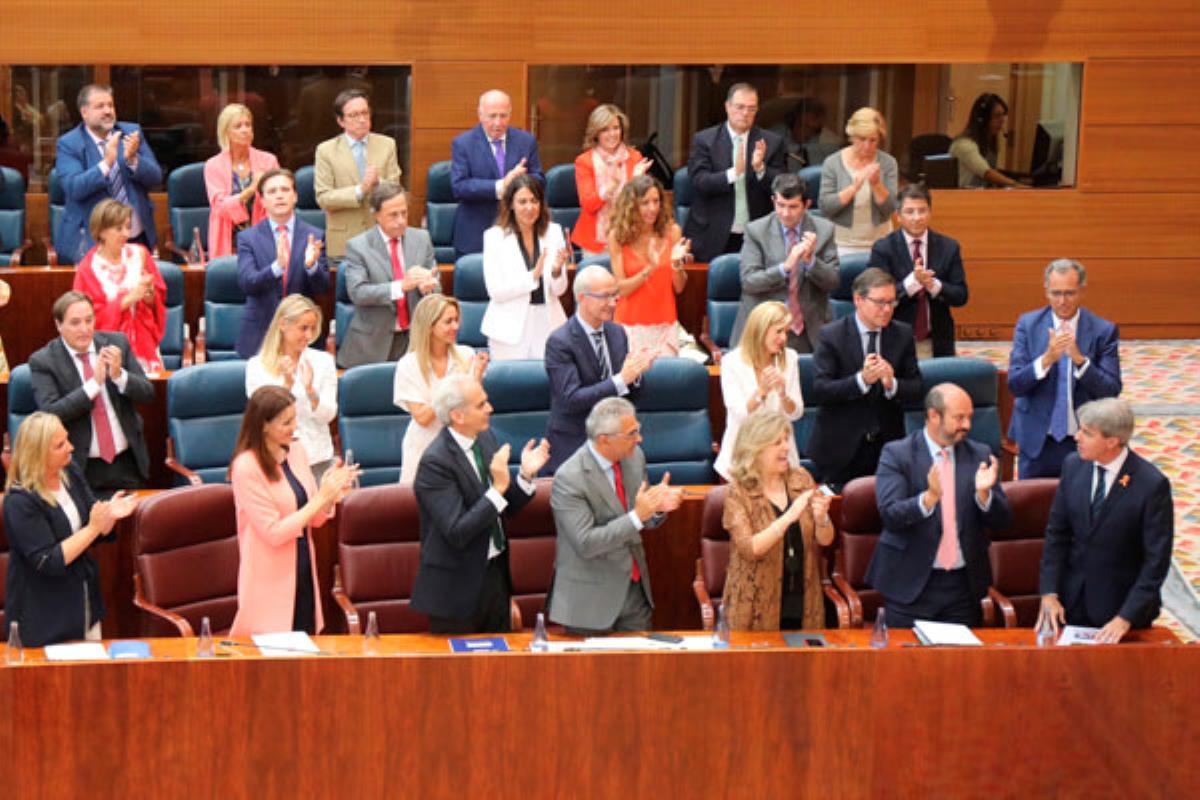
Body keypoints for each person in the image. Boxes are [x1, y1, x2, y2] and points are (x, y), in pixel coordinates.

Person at [410, 374, 551, 633]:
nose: (490, 409)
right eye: (481, 405)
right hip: (455, 589)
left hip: (495, 575)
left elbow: (503, 508)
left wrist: (525, 476)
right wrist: (497, 488)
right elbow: (458, 531)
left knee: (499, 667)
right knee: (459, 672)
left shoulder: (485, 439)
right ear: (458, 416)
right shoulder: (435, 463)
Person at [867, 383, 1010, 628]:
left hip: (963, 587)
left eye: (970, 417)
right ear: (933, 415)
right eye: (959, 418)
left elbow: (1002, 521)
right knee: (905, 663)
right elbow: (890, 514)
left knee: (958, 664)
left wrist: (984, 496)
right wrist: (928, 499)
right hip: (910, 584)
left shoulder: (980, 455)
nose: (967, 425)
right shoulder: (897, 454)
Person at [1037, 398, 1173, 643]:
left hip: (1120, 613)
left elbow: (1156, 561)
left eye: (1087, 433)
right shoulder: (1073, 465)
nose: (1076, 437)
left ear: (1112, 441)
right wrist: (1049, 592)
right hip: (1073, 604)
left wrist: (1126, 617)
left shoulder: (1151, 485)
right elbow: (1057, 533)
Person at [229, 386, 358, 637]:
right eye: (286, 422)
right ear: (263, 425)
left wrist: (331, 494)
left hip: (303, 569)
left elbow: (317, 518)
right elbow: (274, 532)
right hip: (268, 579)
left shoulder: (296, 451)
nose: (294, 427)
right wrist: (321, 497)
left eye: (295, 418)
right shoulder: (246, 467)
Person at [548, 397, 683, 634]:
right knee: (593, 673)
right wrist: (637, 516)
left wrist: (657, 507)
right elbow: (587, 543)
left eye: (638, 431)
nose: (639, 439)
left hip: (634, 593)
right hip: (589, 601)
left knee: (639, 669)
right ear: (604, 440)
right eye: (631, 434)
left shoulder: (634, 457)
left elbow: (643, 515)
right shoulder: (569, 478)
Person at [3, 412, 138, 647]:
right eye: (60, 445)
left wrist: (108, 517)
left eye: (67, 439)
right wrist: (95, 527)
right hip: (43, 616)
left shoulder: (69, 471)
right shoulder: (20, 501)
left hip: (83, 599)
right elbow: (49, 560)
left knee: (90, 678)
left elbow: (89, 523)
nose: (71, 447)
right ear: (38, 454)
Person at [29, 291, 156, 495]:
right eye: (75, 322)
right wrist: (93, 385)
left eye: (89, 320)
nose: (85, 329)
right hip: (79, 468)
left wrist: (118, 376)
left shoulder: (116, 344)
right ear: (58, 325)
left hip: (127, 462)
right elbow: (50, 413)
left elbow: (148, 394)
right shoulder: (44, 361)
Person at [807, 268, 921, 489]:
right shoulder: (832, 335)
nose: (887, 309)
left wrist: (891, 383)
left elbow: (916, 387)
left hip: (887, 446)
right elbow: (821, 389)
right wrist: (861, 380)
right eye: (880, 302)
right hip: (840, 448)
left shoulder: (902, 334)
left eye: (892, 302)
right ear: (858, 300)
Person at [1008, 259, 1121, 479]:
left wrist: (1080, 360)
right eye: (1055, 293)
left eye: (1069, 293)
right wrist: (1046, 360)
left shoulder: (1103, 331)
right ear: (1046, 291)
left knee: (1080, 509)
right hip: (1036, 440)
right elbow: (1015, 385)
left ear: (1082, 291)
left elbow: (1111, 390)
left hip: (1084, 439)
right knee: (1032, 509)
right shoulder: (1028, 325)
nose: (1062, 301)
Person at [722, 410, 834, 630]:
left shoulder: (801, 478)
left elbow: (825, 540)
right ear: (755, 448)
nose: (786, 448)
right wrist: (790, 516)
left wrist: (822, 519)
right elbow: (749, 549)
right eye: (776, 442)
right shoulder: (738, 492)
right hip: (754, 609)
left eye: (786, 440)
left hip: (804, 604)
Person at [544, 265, 655, 472]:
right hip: (574, 445)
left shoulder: (617, 333)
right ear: (582, 297)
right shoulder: (560, 342)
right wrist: (622, 379)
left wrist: (636, 374)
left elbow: (629, 394)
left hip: (615, 443)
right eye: (605, 296)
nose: (613, 303)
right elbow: (571, 399)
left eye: (615, 295)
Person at [731, 172, 838, 353]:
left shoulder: (824, 230)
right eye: (780, 205)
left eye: (793, 207)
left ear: (806, 205)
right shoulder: (756, 231)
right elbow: (749, 282)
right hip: (763, 329)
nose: (785, 213)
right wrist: (784, 268)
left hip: (806, 329)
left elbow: (833, 281)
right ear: (773, 200)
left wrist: (811, 261)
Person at [55, 84, 161, 263]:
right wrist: (105, 164)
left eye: (110, 105)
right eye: (100, 106)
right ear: (84, 112)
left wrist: (132, 160)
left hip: (135, 234)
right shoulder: (69, 144)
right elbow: (74, 188)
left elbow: (156, 177)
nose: (107, 111)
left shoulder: (130, 132)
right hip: (91, 240)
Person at [338, 181, 440, 368]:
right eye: (393, 215)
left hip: (414, 341)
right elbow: (358, 293)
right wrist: (400, 286)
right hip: (371, 346)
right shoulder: (358, 247)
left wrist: (428, 288)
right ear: (376, 215)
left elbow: (435, 285)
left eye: (404, 213)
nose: (401, 220)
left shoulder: (421, 239)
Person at [683, 83, 786, 262]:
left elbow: (782, 187)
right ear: (727, 106)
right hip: (711, 233)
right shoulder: (705, 140)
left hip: (756, 234)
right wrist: (733, 174)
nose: (745, 113)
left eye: (751, 109)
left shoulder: (771, 142)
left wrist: (760, 168)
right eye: (740, 107)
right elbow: (699, 182)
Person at [235, 168, 331, 358]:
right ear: (262, 201)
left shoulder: (314, 235)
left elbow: (323, 287)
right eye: (272, 191)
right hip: (261, 332)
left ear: (295, 196)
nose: (279, 196)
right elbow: (247, 283)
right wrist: (277, 267)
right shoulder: (248, 238)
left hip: (303, 333)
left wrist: (311, 266)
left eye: (285, 190)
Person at [393, 295, 488, 485]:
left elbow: (472, 407)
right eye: (448, 321)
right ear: (429, 326)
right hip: (423, 448)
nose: (456, 326)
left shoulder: (466, 354)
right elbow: (423, 417)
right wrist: (454, 384)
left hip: (462, 444)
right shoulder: (408, 365)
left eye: (456, 320)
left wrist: (475, 376)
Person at [867, 184, 968, 359]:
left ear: (930, 213)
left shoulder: (949, 247)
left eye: (922, 211)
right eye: (910, 211)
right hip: (895, 341)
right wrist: (912, 283)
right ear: (898, 216)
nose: (917, 217)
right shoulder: (883, 249)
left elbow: (961, 296)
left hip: (937, 341)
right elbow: (876, 298)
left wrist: (933, 285)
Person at [246, 296, 338, 482]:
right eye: (303, 328)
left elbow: (328, 416)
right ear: (282, 324)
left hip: (317, 457)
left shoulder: (323, 361)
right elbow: (263, 416)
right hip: (276, 459)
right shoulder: (257, 366)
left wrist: (311, 392)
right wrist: (286, 385)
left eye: (312, 328)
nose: (309, 336)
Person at [72, 199, 167, 373]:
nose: (126, 233)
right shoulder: (88, 269)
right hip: (108, 349)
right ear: (101, 231)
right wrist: (129, 299)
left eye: (128, 227)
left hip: (143, 342)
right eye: (119, 229)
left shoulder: (141, 254)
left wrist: (149, 296)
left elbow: (158, 299)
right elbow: (85, 317)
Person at [482, 174, 570, 359]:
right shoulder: (494, 237)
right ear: (511, 204)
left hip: (548, 323)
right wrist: (532, 277)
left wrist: (556, 272)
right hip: (508, 329)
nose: (530, 207)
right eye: (522, 202)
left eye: (534, 201)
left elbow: (559, 290)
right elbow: (495, 290)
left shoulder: (553, 232)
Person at [450, 90, 544, 257]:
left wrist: (519, 183)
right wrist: (501, 186)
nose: (498, 123)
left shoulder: (526, 141)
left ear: (510, 114)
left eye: (503, 116)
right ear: (480, 115)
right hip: (476, 234)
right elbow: (459, 186)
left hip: (518, 231)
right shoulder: (463, 143)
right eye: (492, 116)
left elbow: (539, 179)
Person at [716, 301, 804, 480]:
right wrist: (761, 392)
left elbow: (796, 413)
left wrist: (783, 394)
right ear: (760, 330)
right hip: (742, 458)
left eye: (785, 332)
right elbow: (739, 414)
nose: (784, 339)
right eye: (778, 331)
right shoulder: (731, 363)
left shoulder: (790, 359)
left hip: (781, 459)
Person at [314, 89, 402, 262]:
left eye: (364, 113)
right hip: (344, 242)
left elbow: (396, 191)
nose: (362, 119)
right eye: (354, 115)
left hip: (381, 237)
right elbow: (323, 198)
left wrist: (378, 182)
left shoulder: (387, 145)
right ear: (341, 121)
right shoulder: (326, 150)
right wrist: (360, 190)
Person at [608, 175, 692, 356]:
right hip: (629, 325)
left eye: (656, 201)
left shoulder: (673, 232)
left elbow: (679, 287)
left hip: (664, 323)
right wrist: (650, 268)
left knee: (665, 383)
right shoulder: (618, 236)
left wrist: (676, 265)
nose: (652, 208)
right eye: (645, 203)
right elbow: (622, 289)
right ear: (632, 206)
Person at [571, 104, 653, 256]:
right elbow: (588, 204)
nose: (612, 134)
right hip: (595, 241)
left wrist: (636, 181)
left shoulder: (634, 158)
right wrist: (609, 189)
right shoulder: (584, 161)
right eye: (605, 129)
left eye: (616, 128)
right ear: (596, 133)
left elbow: (644, 204)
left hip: (630, 236)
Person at [818, 107, 898, 257]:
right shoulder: (833, 162)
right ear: (852, 136)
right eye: (862, 139)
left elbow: (890, 209)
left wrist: (876, 185)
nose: (867, 146)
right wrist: (854, 188)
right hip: (841, 243)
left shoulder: (888, 163)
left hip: (879, 242)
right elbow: (826, 207)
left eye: (873, 140)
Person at [203, 103, 280, 259]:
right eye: (238, 126)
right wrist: (252, 189)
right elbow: (220, 207)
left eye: (248, 125)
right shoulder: (213, 165)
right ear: (227, 132)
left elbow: (278, 200)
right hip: (227, 240)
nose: (245, 130)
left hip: (264, 238)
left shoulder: (268, 161)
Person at [949, 93, 1022, 189]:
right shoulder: (964, 144)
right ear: (981, 119)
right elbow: (986, 172)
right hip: (963, 197)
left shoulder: (989, 142)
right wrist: (1016, 185)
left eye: (1003, 115)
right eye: (997, 116)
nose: (1002, 120)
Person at [769, 96, 842, 170]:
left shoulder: (826, 140)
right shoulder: (774, 137)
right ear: (793, 119)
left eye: (813, 129)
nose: (806, 133)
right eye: (803, 125)